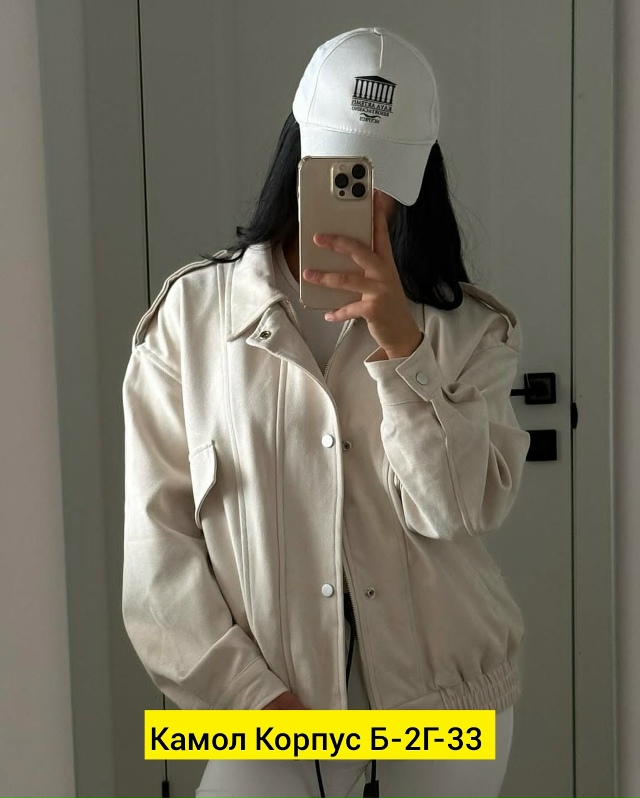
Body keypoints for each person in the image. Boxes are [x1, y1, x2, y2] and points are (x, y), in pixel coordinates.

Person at [122, 26, 531, 798]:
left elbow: (458, 510)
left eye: (385, 173)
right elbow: (157, 556)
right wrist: (257, 707)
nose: (367, 196)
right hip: (259, 715)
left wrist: (404, 348)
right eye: (346, 170)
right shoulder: (190, 320)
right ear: (299, 154)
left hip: (445, 710)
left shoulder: (469, 331)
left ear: (421, 175)